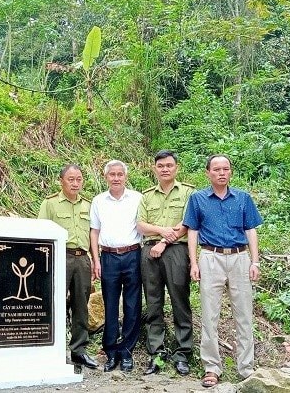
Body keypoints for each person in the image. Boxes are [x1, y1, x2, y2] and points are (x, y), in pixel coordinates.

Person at [183, 154, 262, 388]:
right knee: (209, 315)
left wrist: (255, 262)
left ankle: (246, 367)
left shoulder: (243, 198)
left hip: (239, 258)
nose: (221, 173)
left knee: (244, 315)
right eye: (216, 169)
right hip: (210, 257)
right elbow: (192, 232)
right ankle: (211, 368)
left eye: (225, 169)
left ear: (231, 172)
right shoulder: (197, 199)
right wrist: (194, 262)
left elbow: (251, 230)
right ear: (208, 172)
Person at [137, 150, 195, 376]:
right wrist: (161, 232)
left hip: (177, 251)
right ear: (155, 168)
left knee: (180, 301)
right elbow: (141, 225)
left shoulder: (189, 192)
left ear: (176, 167)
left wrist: (163, 241)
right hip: (149, 252)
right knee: (153, 302)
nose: (165, 169)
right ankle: (157, 354)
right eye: (160, 166)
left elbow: (188, 222)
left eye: (169, 165)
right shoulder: (146, 196)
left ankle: (182, 354)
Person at [38, 164, 98, 369]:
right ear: (61, 180)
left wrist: (94, 260)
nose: (75, 183)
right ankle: (51, 348)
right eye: (71, 179)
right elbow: (42, 234)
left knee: (81, 304)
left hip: (82, 258)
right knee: (54, 303)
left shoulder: (89, 205)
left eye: (79, 179)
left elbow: (93, 234)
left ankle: (79, 350)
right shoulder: (51, 203)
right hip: (59, 257)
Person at [90, 160, 143, 372]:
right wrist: (96, 259)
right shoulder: (98, 201)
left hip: (133, 254)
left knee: (132, 305)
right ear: (106, 177)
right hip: (108, 257)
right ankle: (111, 352)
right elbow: (94, 231)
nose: (116, 178)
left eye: (120, 174)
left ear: (125, 176)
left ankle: (126, 351)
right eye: (112, 174)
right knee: (110, 305)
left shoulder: (138, 198)